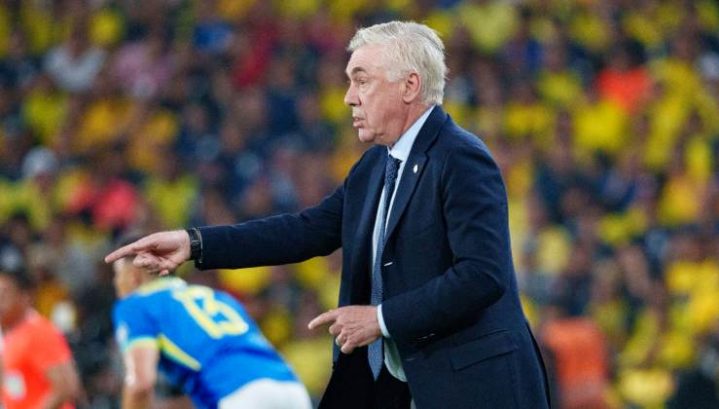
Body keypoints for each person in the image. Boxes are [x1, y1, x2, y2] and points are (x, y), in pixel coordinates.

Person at [105, 21, 550, 409]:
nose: (348, 97)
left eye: (361, 81)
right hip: (398, 386)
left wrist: (379, 319)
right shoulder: (375, 166)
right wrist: (194, 244)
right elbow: (305, 232)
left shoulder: (460, 157)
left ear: (409, 86)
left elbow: (482, 275)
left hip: (474, 386)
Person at [110, 234, 312, 409]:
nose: (115, 282)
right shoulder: (219, 297)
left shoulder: (136, 305)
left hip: (237, 394)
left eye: (117, 275)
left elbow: (141, 384)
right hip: (290, 387)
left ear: (133, 276)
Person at [0, 268, 81, 409]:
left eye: (4, 294)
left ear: (25, 296)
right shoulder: (10, 335)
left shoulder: (38, 331)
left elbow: (65, 386)